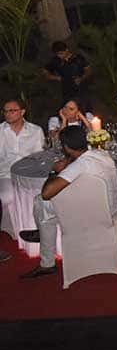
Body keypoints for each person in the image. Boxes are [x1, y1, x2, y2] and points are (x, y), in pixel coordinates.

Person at [19, 126, 117, 279]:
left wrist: (54, 171)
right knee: (47, 211)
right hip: (111, 207)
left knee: (41, 202)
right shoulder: (100, 154)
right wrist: (68, 160)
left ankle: (46, 260)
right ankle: (42, 233)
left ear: (66, 147)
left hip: (95, 215)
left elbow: (47, 193)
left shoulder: (79, 165)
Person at [0, 98, 45, 262]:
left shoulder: (35, 130)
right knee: (7, 196)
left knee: (44, 195)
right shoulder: (1, 131)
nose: (8, 114)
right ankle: (12, 229)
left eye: (12, 110)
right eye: (5, 111)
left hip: (30, 175)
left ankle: (40, 231)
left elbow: (39, 156)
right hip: (6, 174)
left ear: (22, 112)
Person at [44, 41, 91, 108]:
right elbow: (45, 71)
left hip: (82, 90)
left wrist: (81, 78)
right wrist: (56, 78)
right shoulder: (56, 60)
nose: (60, 56)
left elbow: (88, 70)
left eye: (61, 53)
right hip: (67, 92)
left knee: (84, 107)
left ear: (67, 50)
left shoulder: (78, 58)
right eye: (57, 54)